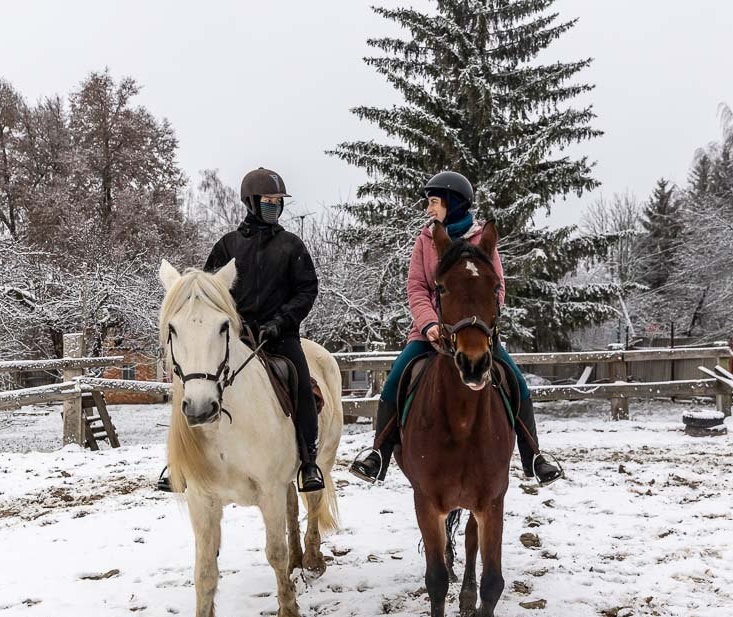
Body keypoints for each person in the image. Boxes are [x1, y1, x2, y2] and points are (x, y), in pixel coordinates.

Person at [349, 170, 562, 486]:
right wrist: (430, 323)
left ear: (454, 203)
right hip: (430, 333)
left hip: (476, 334)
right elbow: (417, 287)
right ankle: (378, 454)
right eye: (428, 203)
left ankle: (534, 456)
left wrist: (479, 325)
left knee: (517, 383)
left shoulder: (481, 240)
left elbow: (497, 288)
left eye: (434, 202)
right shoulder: (425, 240)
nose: (428, 209)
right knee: (395, 379)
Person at [159, 167, 324, 493]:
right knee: (191, 381)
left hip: (280, 336)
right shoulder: (227, 246)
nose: (274, 205)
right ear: (251, 202)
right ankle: (177, 462)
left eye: (278, 201)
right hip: (236, 335)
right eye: (268, 200)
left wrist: (281, 322)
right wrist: (233, 324)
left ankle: (308, 461)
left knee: (302, 385)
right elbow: (206, 294)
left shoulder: (292, 246)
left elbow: (307, 290)